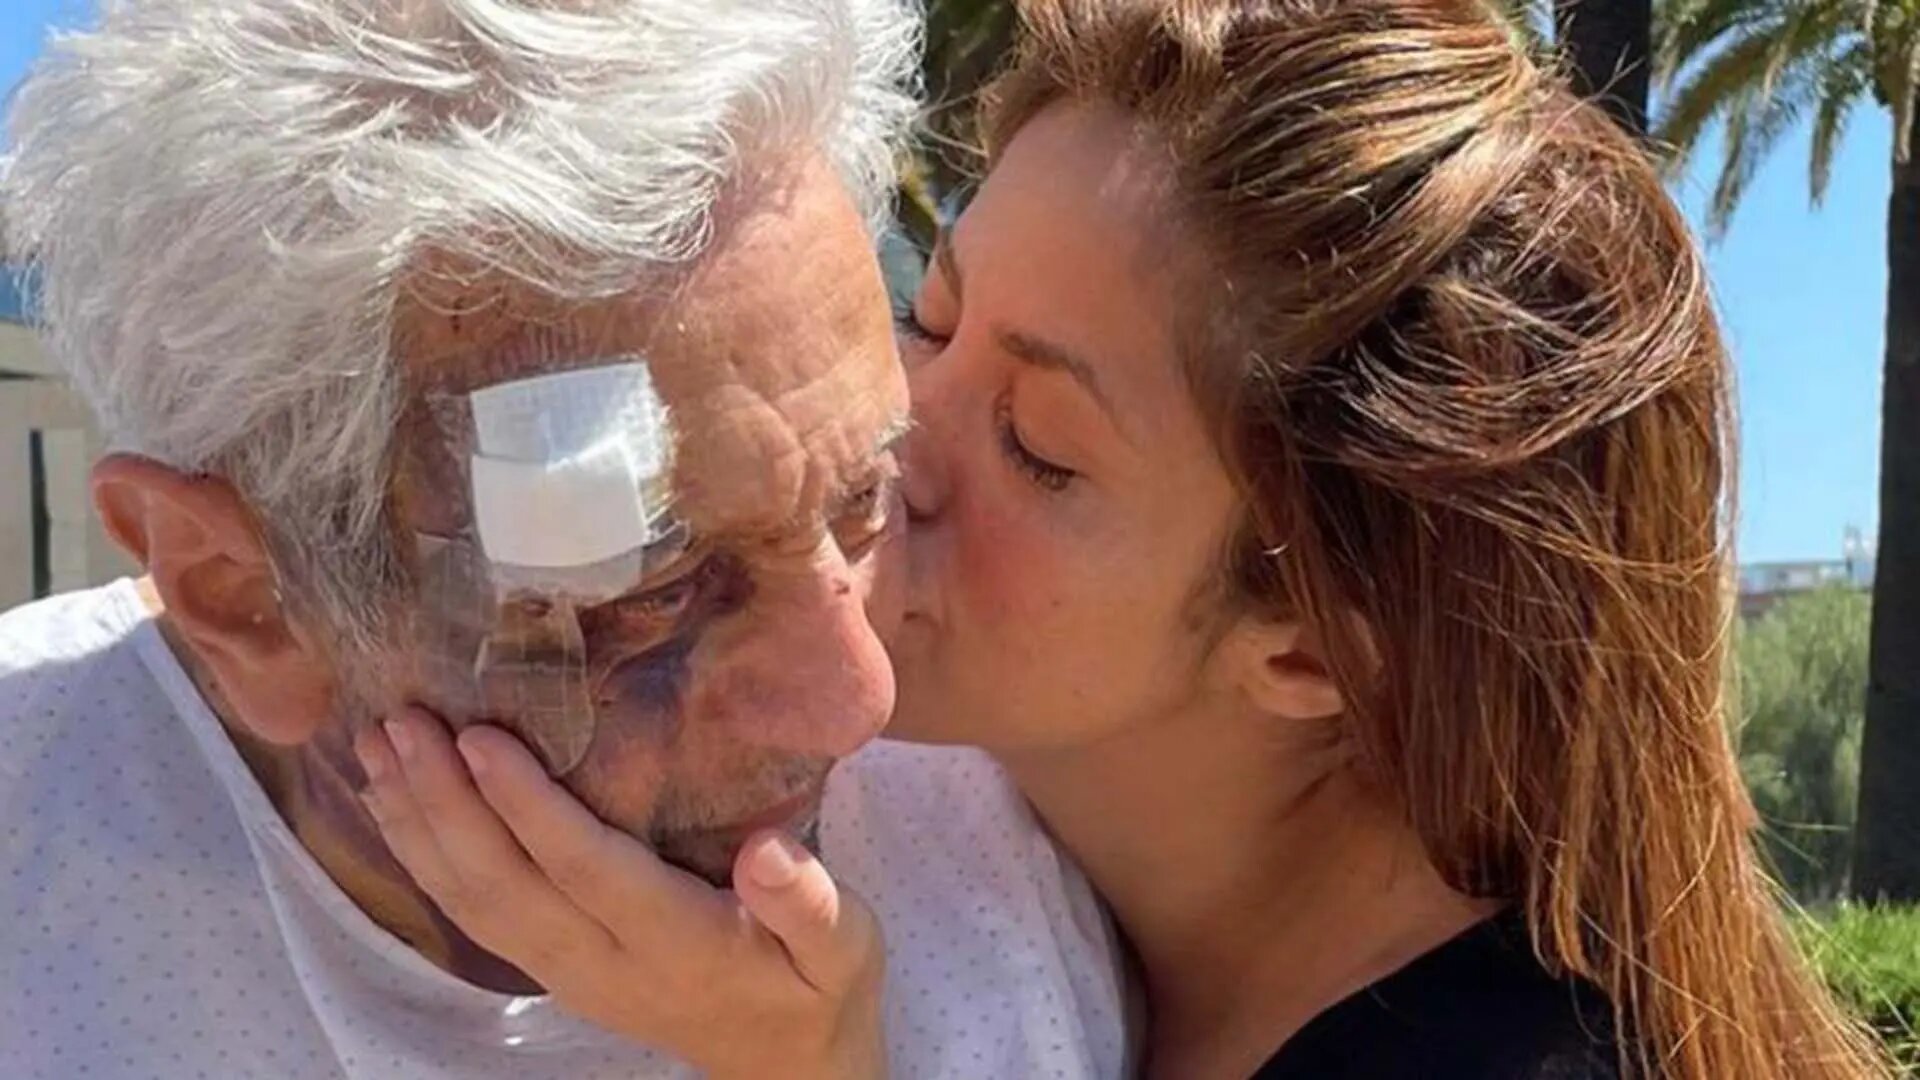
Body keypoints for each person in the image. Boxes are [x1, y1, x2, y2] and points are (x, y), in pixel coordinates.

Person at [359, 0, 1895, 1077]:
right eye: (928, 316)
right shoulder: (1037, 891)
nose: (887, 437)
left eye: (1038, 446)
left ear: (1314, 646)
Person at [0, 2, 1127, 1078]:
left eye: (861, 503)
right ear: (245, 599)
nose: (859, 703)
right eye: (658, 593)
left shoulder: (994, 845)